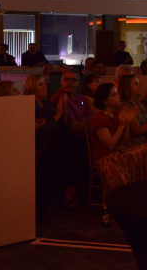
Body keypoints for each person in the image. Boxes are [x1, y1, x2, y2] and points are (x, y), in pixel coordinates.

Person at [89, 83, 147, 197]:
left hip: (118, 152)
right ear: (105, 101)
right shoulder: (99, 118)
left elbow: (123, 142)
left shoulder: (114, 114)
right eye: (114, 95)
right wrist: (121, 125)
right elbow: (109, 145)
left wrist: (127, 123)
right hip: (105, 157)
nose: (119, 96)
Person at [24, 74, 67, 219]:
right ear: (32, 87)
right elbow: (43, 130)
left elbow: (58, 126)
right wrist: (58, 114)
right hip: (40, 150)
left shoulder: (47, 104)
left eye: (44, 84)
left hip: (52, 147)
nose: (44, 86)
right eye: (40, 84)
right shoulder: (29, 106)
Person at [49, 68, 92, 209]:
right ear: (61, 81)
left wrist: (89, 124)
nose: (69, 83)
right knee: (77, 151)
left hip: (84, 136)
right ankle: (70, 197)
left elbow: (91, 117)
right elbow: (72, 126)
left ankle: (87, 193)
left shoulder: (81, 98)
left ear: (78, 83)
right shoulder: (58, 98)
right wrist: (89, 125)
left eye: (73, 80)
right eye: (66, 80)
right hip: (67, 140)